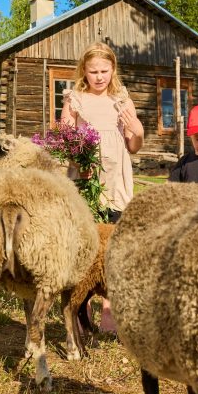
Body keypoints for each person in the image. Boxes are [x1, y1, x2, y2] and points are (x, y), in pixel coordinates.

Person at [61, 41, 144, 332]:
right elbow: (66, 139)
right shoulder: (75, 99)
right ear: (84, 70)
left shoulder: (122, 99)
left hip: (116, 178)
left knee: (114, 240)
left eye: (104, 71)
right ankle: (80, 309)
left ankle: (109, 307)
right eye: (93, 71)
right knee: (86, 243)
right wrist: (78, 157)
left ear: (113, 69)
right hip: (87, 178)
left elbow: (133, 145)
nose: (99, 76)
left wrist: (138, 130)